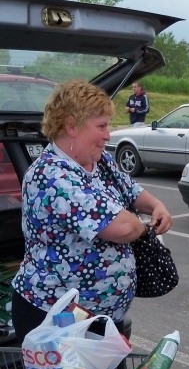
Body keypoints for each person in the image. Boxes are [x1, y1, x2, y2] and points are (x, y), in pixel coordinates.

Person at [12, 78, 172, 346]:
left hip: (101, 320)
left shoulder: (98, 160)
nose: (108, 134)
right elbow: (123, 228)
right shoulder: (51, 177)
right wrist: (145, 227)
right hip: (57, 321)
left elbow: (132, 190)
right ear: (71, 126)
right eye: (101, 126)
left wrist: (156, 205)